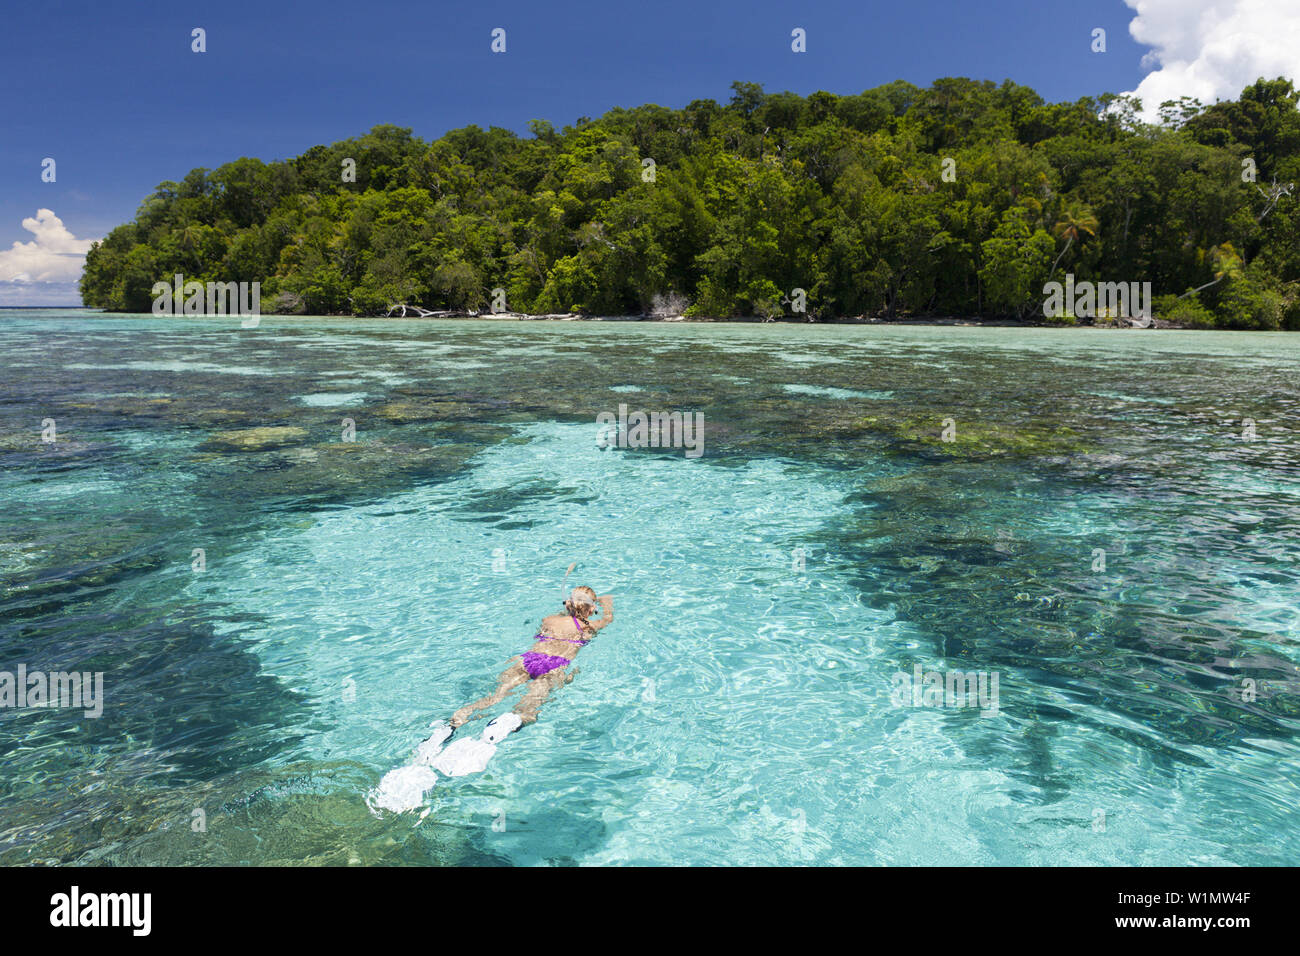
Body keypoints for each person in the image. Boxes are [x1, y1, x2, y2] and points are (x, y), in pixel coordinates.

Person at [449, 586, 614, 735]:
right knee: (530, 707)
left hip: (529, 660)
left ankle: (460, 717)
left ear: (567, 604)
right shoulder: (589, 625)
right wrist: (606, 604)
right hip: (554, 666)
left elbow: (556, 621)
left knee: (496, 697)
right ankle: (514, 721)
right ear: (592, 609)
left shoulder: (549, 619)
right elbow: (608, 619)